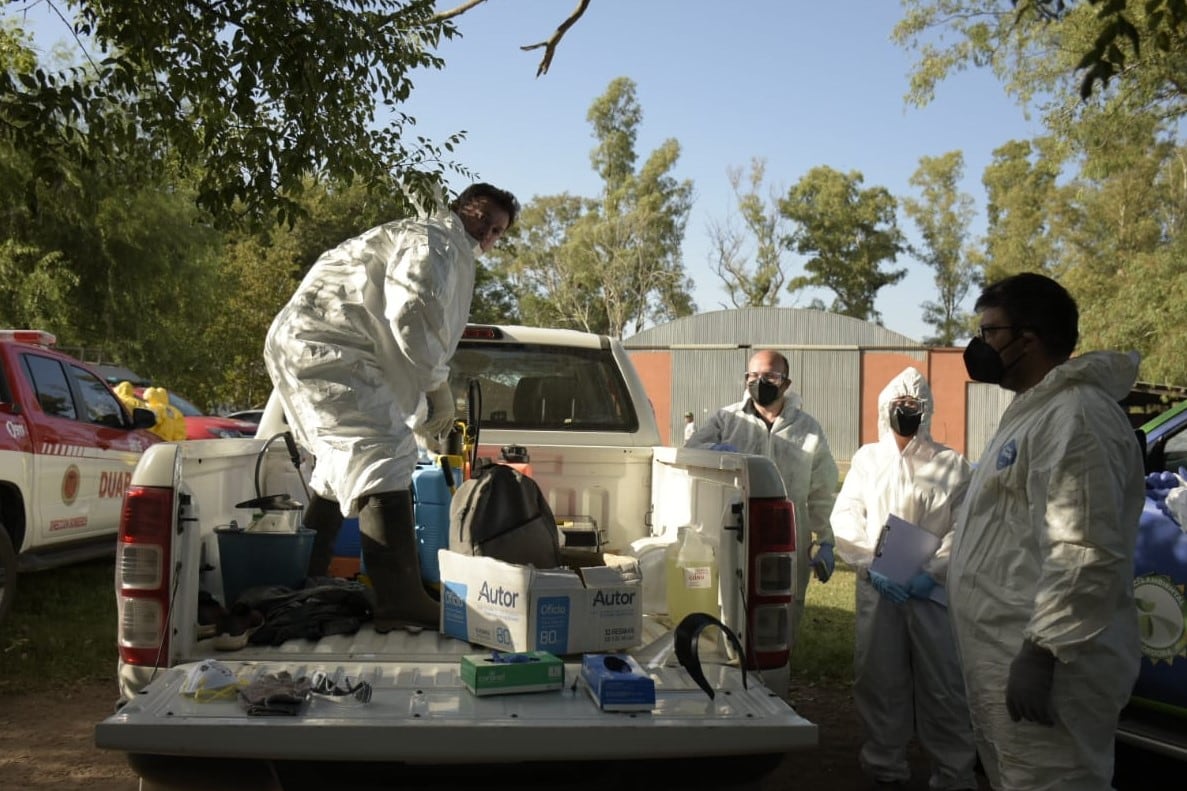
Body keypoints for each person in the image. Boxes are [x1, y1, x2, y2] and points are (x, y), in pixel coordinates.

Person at [264, 182, 520, 633]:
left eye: (496, 230)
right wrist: (436, 386)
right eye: (482, 219)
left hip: (315, 345)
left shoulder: (428, 240)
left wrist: (420, 403)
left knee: (338, 465)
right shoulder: (437, 241)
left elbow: (396, 325)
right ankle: (398, 598)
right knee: (384, 449)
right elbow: (413, 313)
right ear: (462, 209)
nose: (486, 233)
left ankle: (306, 579)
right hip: (328, 347)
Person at [949, 272, 1144, 790]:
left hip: (1052, 668)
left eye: (990, 331)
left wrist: (1043, 651)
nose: (980, 344)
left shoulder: (1077, 417)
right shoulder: (1036, 411)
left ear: (1027, 339)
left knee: (1052, 780)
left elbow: (1085, 548)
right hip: (1004, 654)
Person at [830, 366, 978, 790]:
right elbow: (846, 517)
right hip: (879, 588)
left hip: (930, 593)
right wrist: (869, 565)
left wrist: (932, 573)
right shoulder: (867, 459)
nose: (905, 412)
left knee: (944, 684)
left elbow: (963, 527)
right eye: (898, 405)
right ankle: (884, 766)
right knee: (880, 679)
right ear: (884, 409)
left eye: (912, 406)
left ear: (926, 411)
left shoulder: (952, 465)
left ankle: (953, 774)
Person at [685, 349, 839, 639]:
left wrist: (826, 541)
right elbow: (689, 453)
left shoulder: (807, 429)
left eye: (769, 375)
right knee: (731, 607)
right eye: (753, 375)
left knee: (781, 612)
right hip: (734, 532)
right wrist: (713, 451)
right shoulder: (726, 420)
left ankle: (776, 678)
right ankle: (731, 673)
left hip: (788, 540)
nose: (760, 381)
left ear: (786, 383)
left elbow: (821, 490)